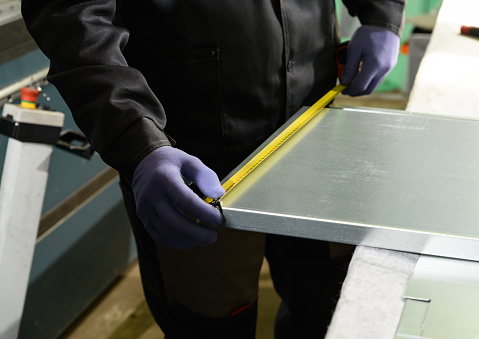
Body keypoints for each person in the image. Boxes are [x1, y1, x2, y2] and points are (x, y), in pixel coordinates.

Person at [21, 0, 405, 338]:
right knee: (213, 323)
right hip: (193, 162)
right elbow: (71, 14)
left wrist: (382, 13)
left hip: (314, 131)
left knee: (326, 305)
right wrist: (137, 140)